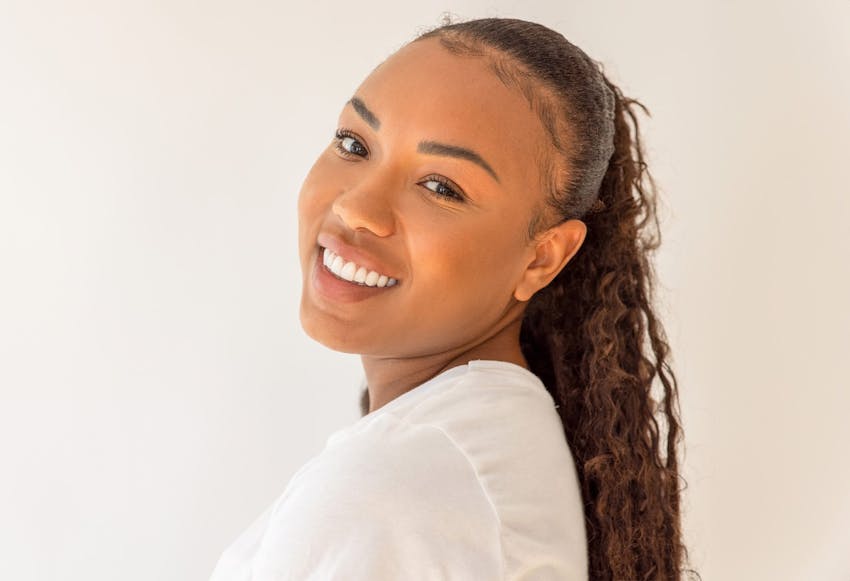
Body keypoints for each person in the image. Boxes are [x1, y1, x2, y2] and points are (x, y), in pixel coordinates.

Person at [210, 16, 696, 581]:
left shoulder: (392, 493)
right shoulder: (483, 449)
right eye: (354, 144)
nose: (356, 208)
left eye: (440, 187)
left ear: (542, 258)